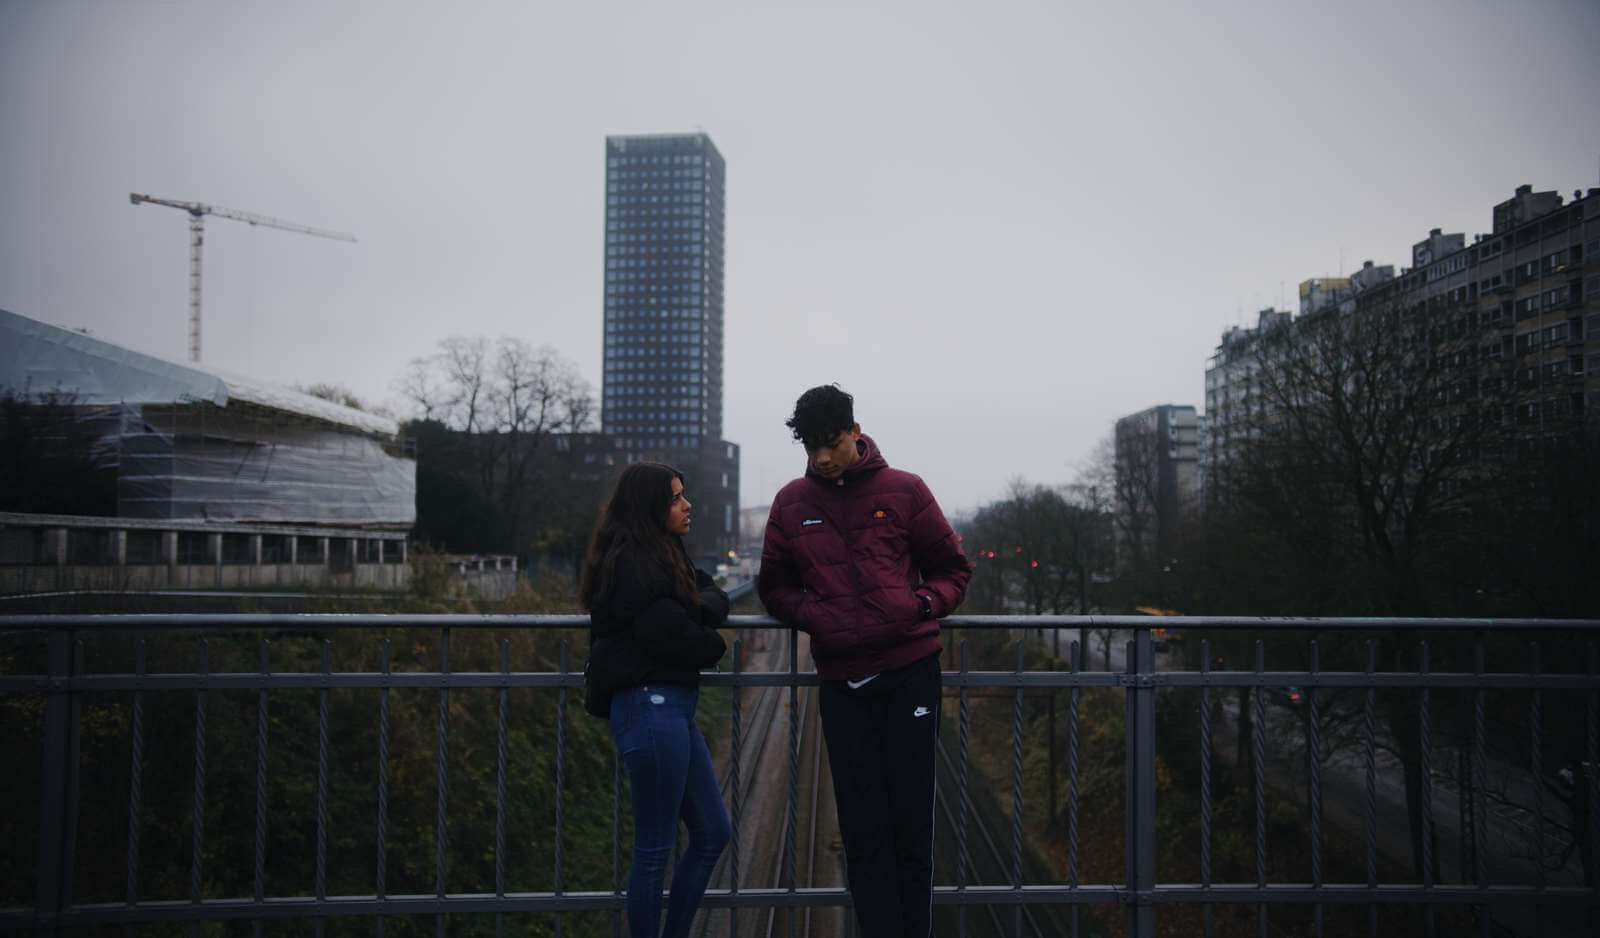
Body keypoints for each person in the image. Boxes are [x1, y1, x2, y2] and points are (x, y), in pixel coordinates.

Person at [758, 384, 974, 938]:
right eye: (810, 446)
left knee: (911, 826)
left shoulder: (905, 491)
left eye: (830, 442)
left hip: (910, 676)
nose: (821, 456)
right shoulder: (790, 504)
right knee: (862, 830)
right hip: (842, 683)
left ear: (856, 431)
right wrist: (815, 614)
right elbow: (774, 587)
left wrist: (921, 604)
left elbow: (953, 569)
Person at [581, 462, 731, 938]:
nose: (687, 506)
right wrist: (711, 637)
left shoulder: (666, 555)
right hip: (649, 709)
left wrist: (696, 609)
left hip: (671, 709)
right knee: (654, 847)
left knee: (712, 831)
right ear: (650, 507)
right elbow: (681, 637)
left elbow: (710, 594)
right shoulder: (631, 563)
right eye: (675, 498)